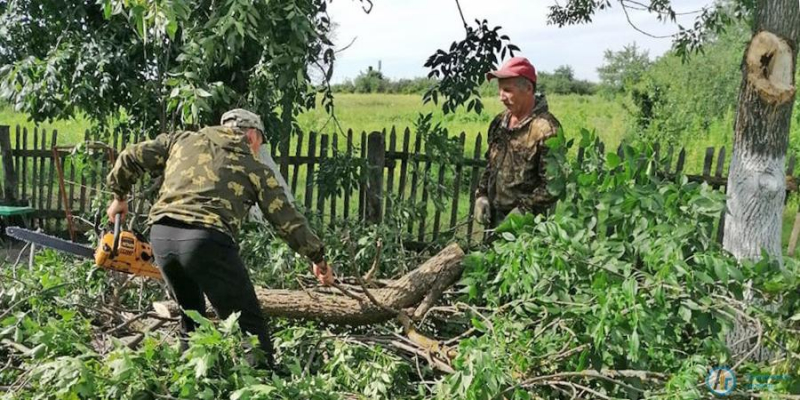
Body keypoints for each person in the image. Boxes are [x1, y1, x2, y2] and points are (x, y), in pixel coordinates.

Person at [105, 109, 332, 369]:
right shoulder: (253, 166)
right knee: (249, 324)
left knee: (192, 317)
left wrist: (119, 197)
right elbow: (287, 220)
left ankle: (189, 379)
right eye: (260, 140)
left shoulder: (181, 140)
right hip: (206, 241)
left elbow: (132, 155)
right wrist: (318, 258)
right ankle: (263, 385)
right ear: (251, 134)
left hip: (162, 235)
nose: (259, 147)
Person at [474, 57, 562, 228]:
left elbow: (553, 185)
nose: (501, 97)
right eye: (500, 90)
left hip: (529, 226)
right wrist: (481, 195)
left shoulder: (547, 129)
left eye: (507, 90)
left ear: (528, 88)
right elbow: (490, 165)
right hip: (493, 217)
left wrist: (524, 210)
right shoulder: (499, 122)